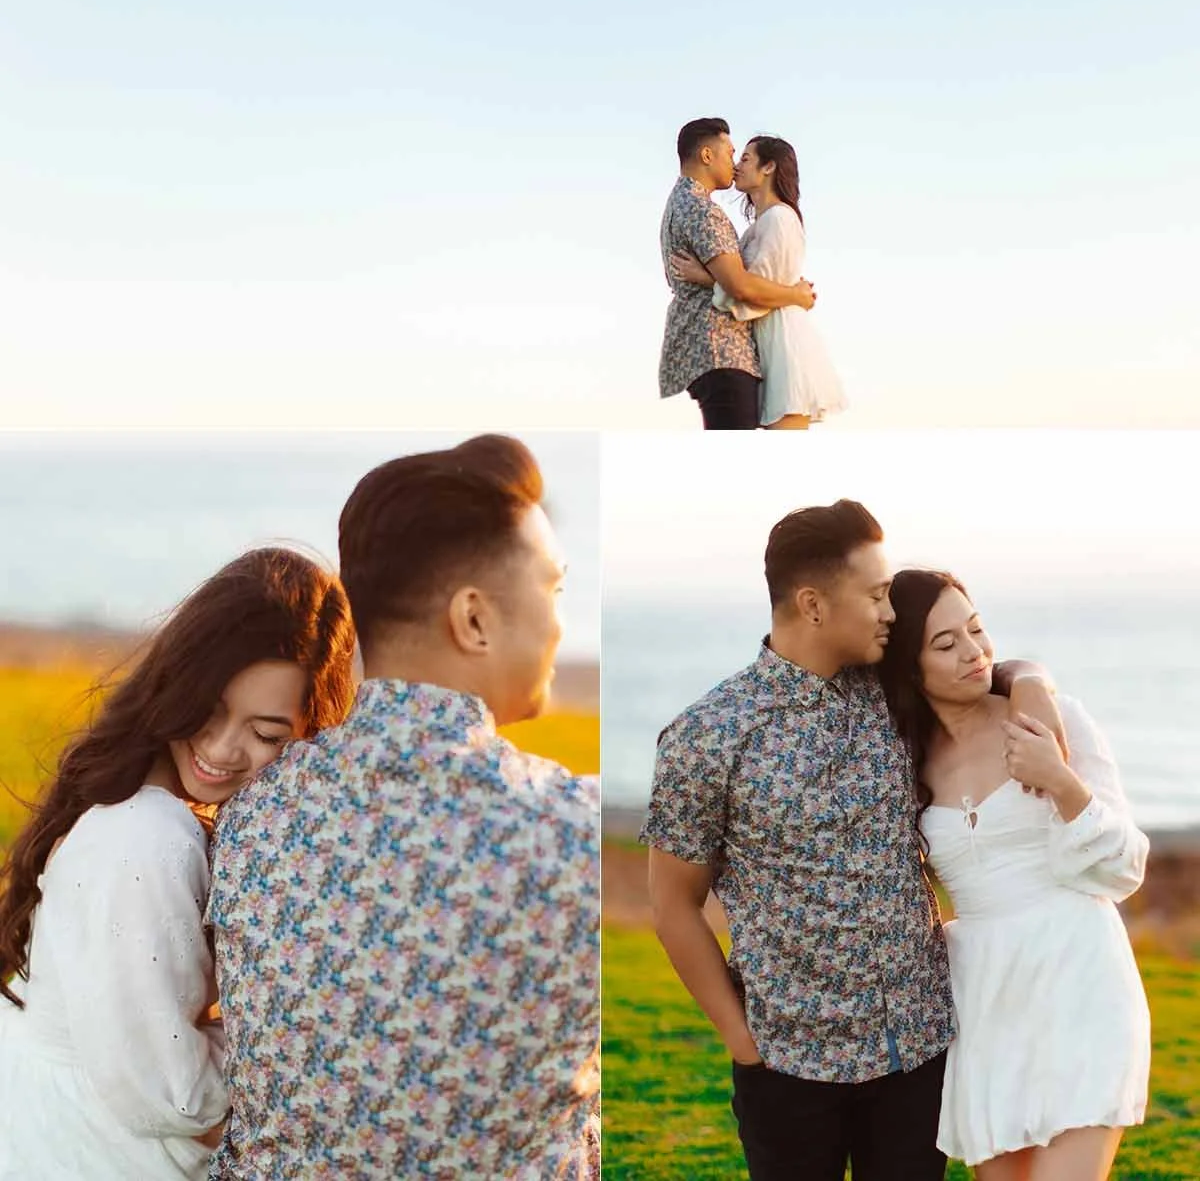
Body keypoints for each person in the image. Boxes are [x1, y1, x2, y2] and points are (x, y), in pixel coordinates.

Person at [207, 435, 600, 1178]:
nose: (558, 627)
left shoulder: (253, 814)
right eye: (553, 590)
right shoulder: (565, 833)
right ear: (474, 620)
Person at [641, 500, 1061, 1181]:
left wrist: (1034, 680)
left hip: (918, 1054)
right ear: (812, 604)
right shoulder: (707, 736)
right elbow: (672, 905)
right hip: (788, 1066)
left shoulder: (892, 692)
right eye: (875, 596)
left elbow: (972, 664)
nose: (890, 612)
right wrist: (741, 1041)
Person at [0, 548, 357, 1181]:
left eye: (267, 734)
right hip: (97, 1152)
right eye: (211, 709)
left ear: (309, 734)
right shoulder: (148, 835)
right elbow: (170, 1092)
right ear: (180, 682)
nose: (222, 750)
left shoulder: (131, 799)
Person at [878, 569, 1150, 1181]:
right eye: (945, 644)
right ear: (908, 669)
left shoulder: (1053, 722)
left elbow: (1126, 868)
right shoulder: (905, 759)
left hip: (1081, 982)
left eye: (976, 630)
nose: (974, 653)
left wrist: (1060, 780)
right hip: (984, 1001)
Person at [672, 135, 847, 429]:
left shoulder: (779, 218)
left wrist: (704, 277)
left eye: (746, 158)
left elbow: (754, 291)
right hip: (765, 342)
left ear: (768, 168)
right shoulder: (761, 224)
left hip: (783, 343)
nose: (737, 165)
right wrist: (793, 294)